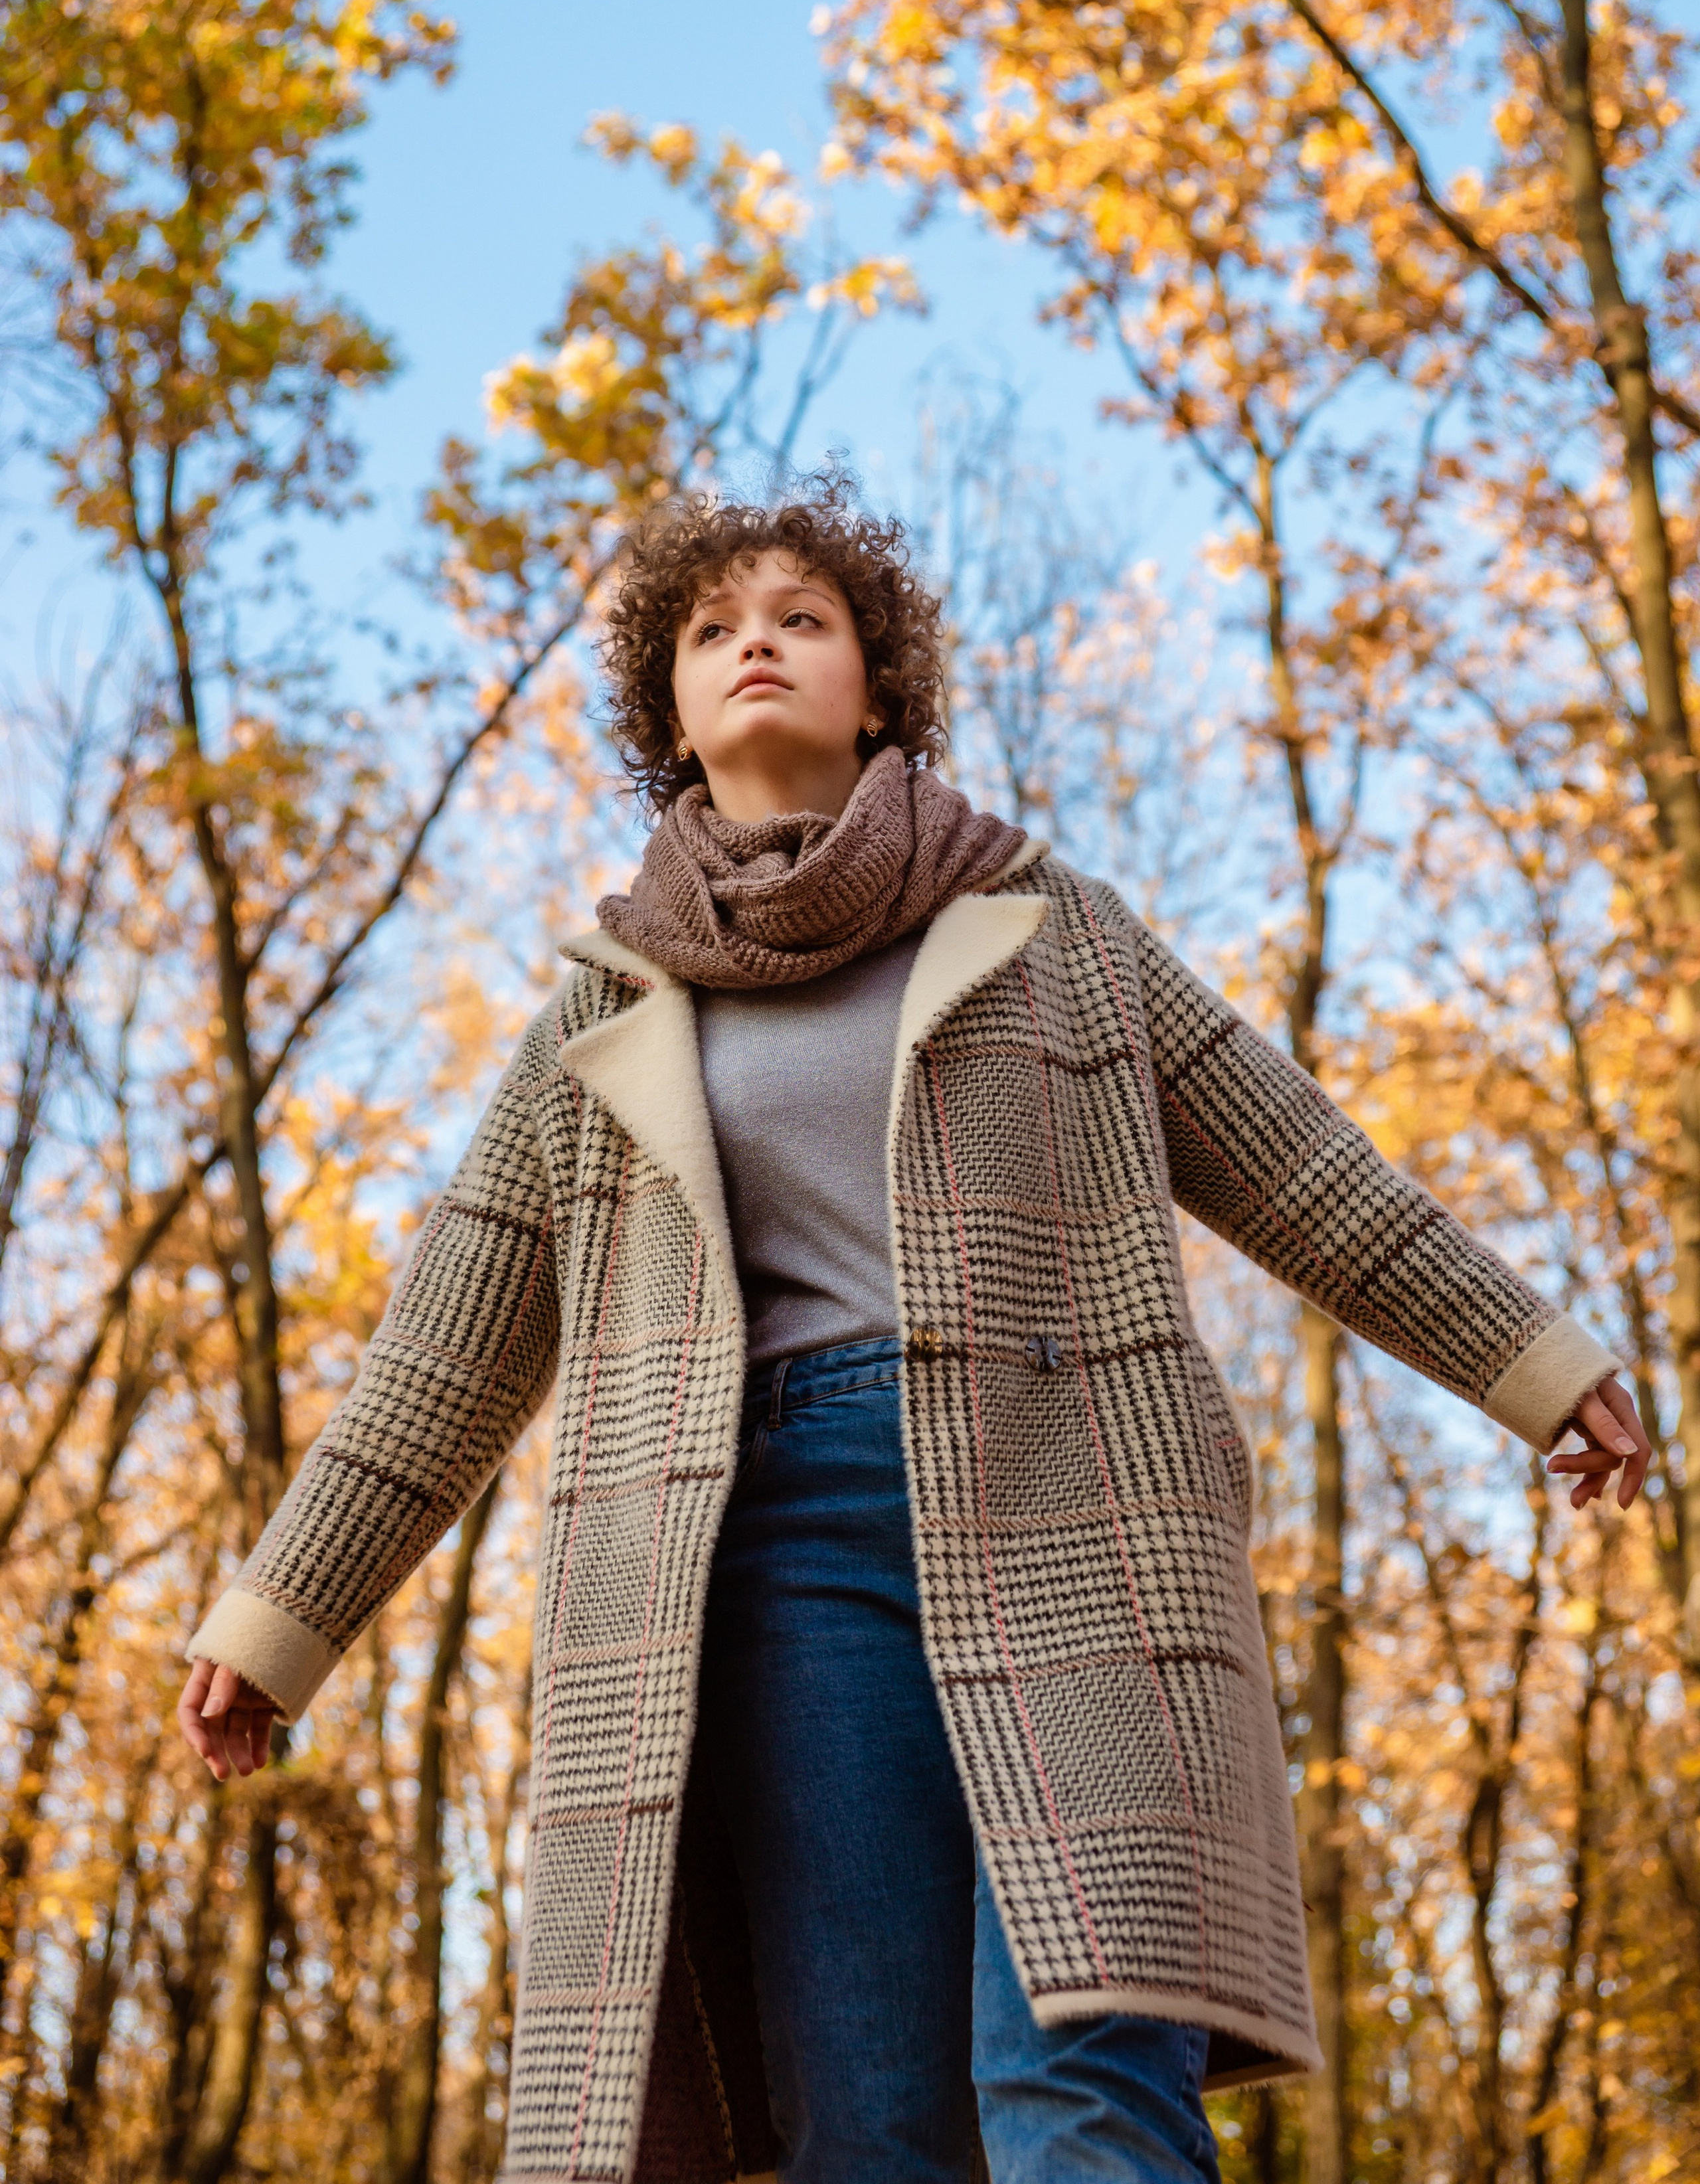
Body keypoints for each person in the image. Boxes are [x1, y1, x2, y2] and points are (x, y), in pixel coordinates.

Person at [179, 482, 1648, 2184]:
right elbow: (444, 1347)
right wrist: (283, 1616)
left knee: (1082, 2068)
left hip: (1083, 1522)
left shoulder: (1045, 924)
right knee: (870, 2123)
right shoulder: (605, 1007)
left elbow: (1301, 1169)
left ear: (876, 691)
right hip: (776, 1562)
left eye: (800, 619)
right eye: (712, 630)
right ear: (671, 716)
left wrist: (1533, 1363)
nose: (756, 645)